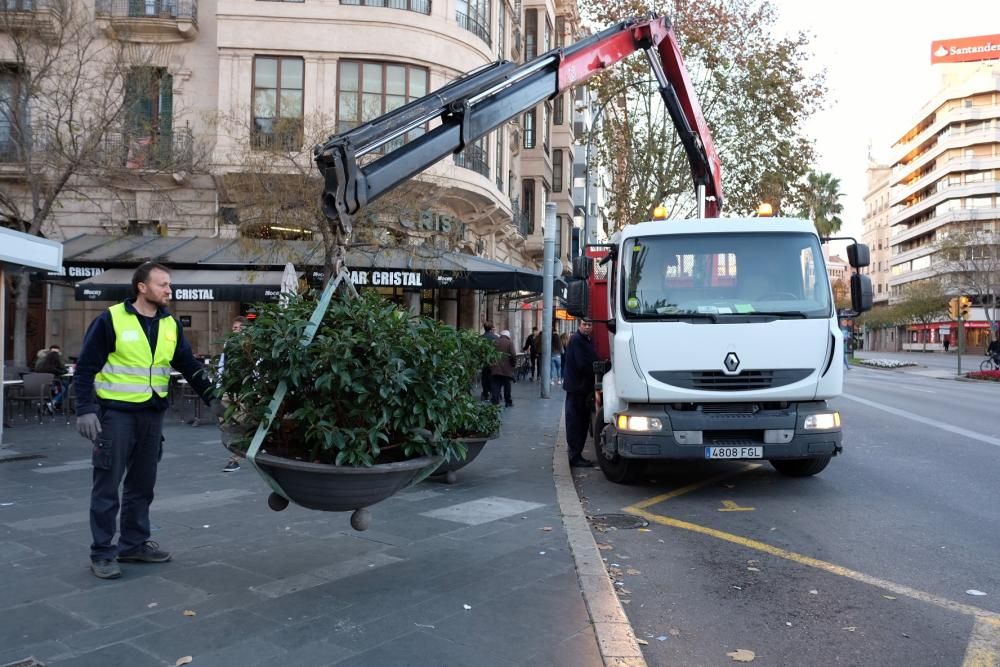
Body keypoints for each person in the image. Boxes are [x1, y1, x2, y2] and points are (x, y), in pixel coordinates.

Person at [74, 262, 222, 580]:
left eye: (169, 285)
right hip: (116, 415)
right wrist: (85, 408)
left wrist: (213, 398)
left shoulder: (170, 324)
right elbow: (85, 366)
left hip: (152, 415)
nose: (170, 290)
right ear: (142, 287)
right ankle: (102, 553)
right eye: (163, 284)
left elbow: (188, 364)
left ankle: (133, 544)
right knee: (107, 486)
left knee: (142, 485)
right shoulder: (111, 319)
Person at [563, 319, 598, 467]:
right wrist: (596, 369)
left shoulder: (585, 340)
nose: (587, 327)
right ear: (580, 326)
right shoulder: (578, 340)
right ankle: (575, 456)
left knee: (580, 422)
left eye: (590, 325)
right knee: (577, 422)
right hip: (578, 387)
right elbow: (582, 364)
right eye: (585, 324)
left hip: (579, 387)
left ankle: (576, 454)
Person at [220, 316, 248, 472]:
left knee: (240, 420)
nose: (235, 331)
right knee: (226, 421)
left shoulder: (251, 345)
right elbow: (222, 364)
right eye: (233, 328)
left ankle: (234, 458)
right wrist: (219, 385)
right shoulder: (228, 344)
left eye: (238, 328)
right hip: (228, 388)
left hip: (244, 388)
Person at [35, 345, 69, 414]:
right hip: (51, 385)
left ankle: (51, 404)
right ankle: (52, 403)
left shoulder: (42, 363)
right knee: (64, 388)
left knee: (65, 384)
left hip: (38, 385)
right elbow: (64, 371)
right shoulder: (53, 367)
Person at [490, 329, 515, 407]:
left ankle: (495, 400)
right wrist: (513, 364)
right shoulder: (510, 342)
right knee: (507, 386)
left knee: (496, 385)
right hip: (507, 369)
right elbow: (513, 355)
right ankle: (508, 401)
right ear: (508, 336)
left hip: (495, 367)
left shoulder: (495, 342)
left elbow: (490, 354)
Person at [480, 321, 498, 400]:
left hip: (484, 361)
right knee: (492, 377)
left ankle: (485, 392)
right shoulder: (496, 338)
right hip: (493, 361)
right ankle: (492, 392)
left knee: (484, 377)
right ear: (491, 328)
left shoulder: (481, 338)